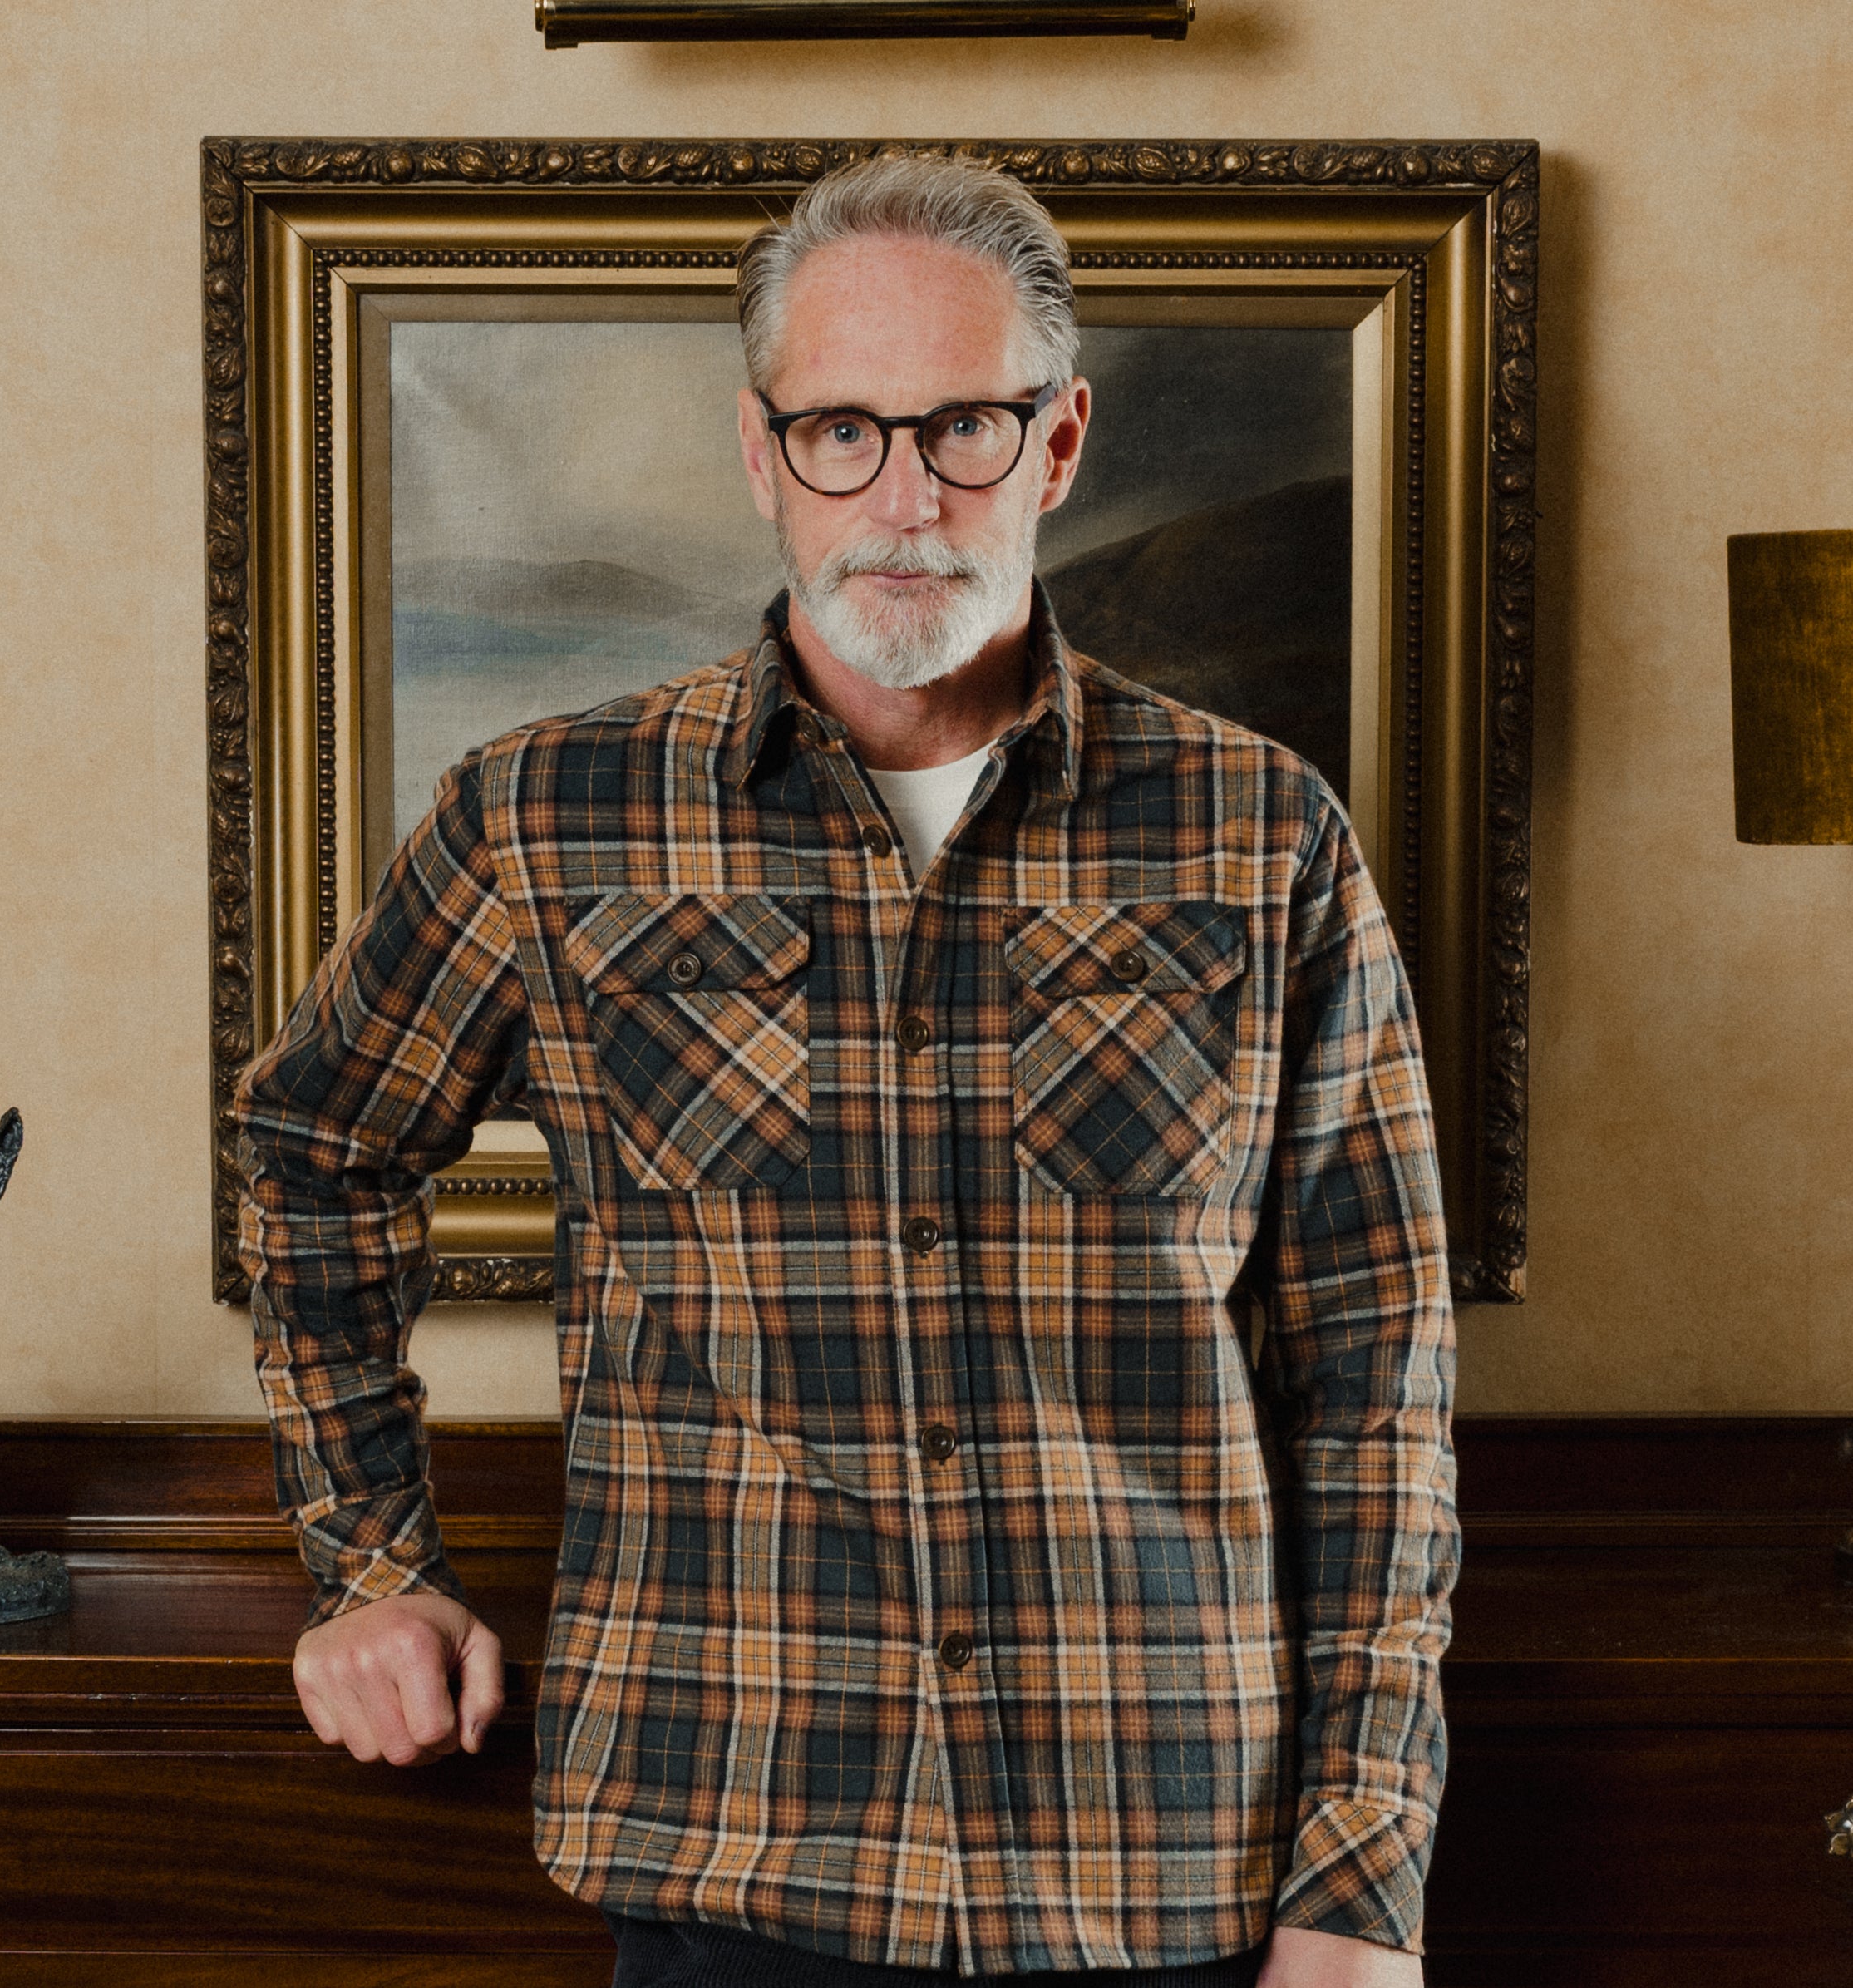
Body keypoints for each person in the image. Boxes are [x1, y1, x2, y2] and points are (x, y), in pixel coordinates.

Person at [234, 153, 1456, 1988]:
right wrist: (368, 1558)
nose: (902, 495)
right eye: (840, 433)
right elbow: (307, 1153)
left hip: (1161, 1873)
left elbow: (1379, 1375)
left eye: (963, 425)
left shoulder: (1257, 834)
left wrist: (1357, 1883)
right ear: (761, 452)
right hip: (732, 1860)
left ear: (1055, 444)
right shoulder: (539, 822)